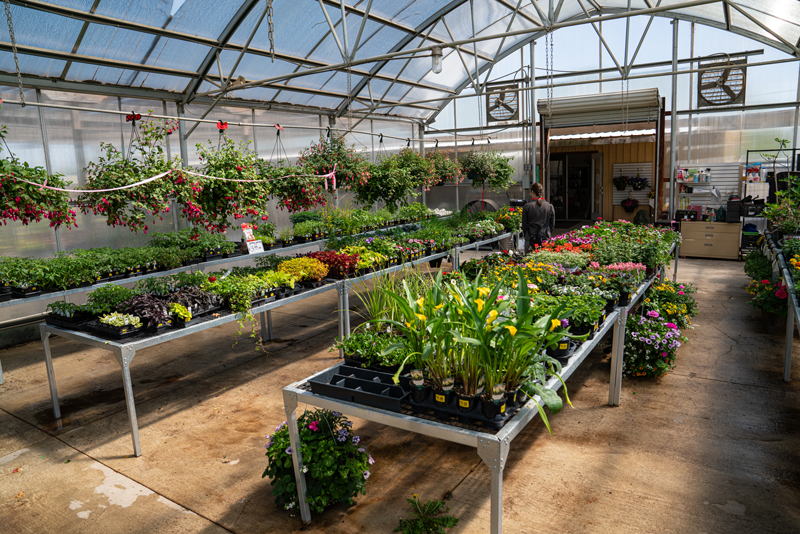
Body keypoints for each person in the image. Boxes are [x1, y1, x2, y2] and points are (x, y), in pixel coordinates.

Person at [522, 183, 555, 253]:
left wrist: (527, 234)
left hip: (530, 237)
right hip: (545, 237)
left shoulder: (527, 206)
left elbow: (524, 225)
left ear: (532, 192)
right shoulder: (549, 206)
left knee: (528, 261)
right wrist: (547, 232)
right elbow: (552, 225)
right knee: (544, 260)